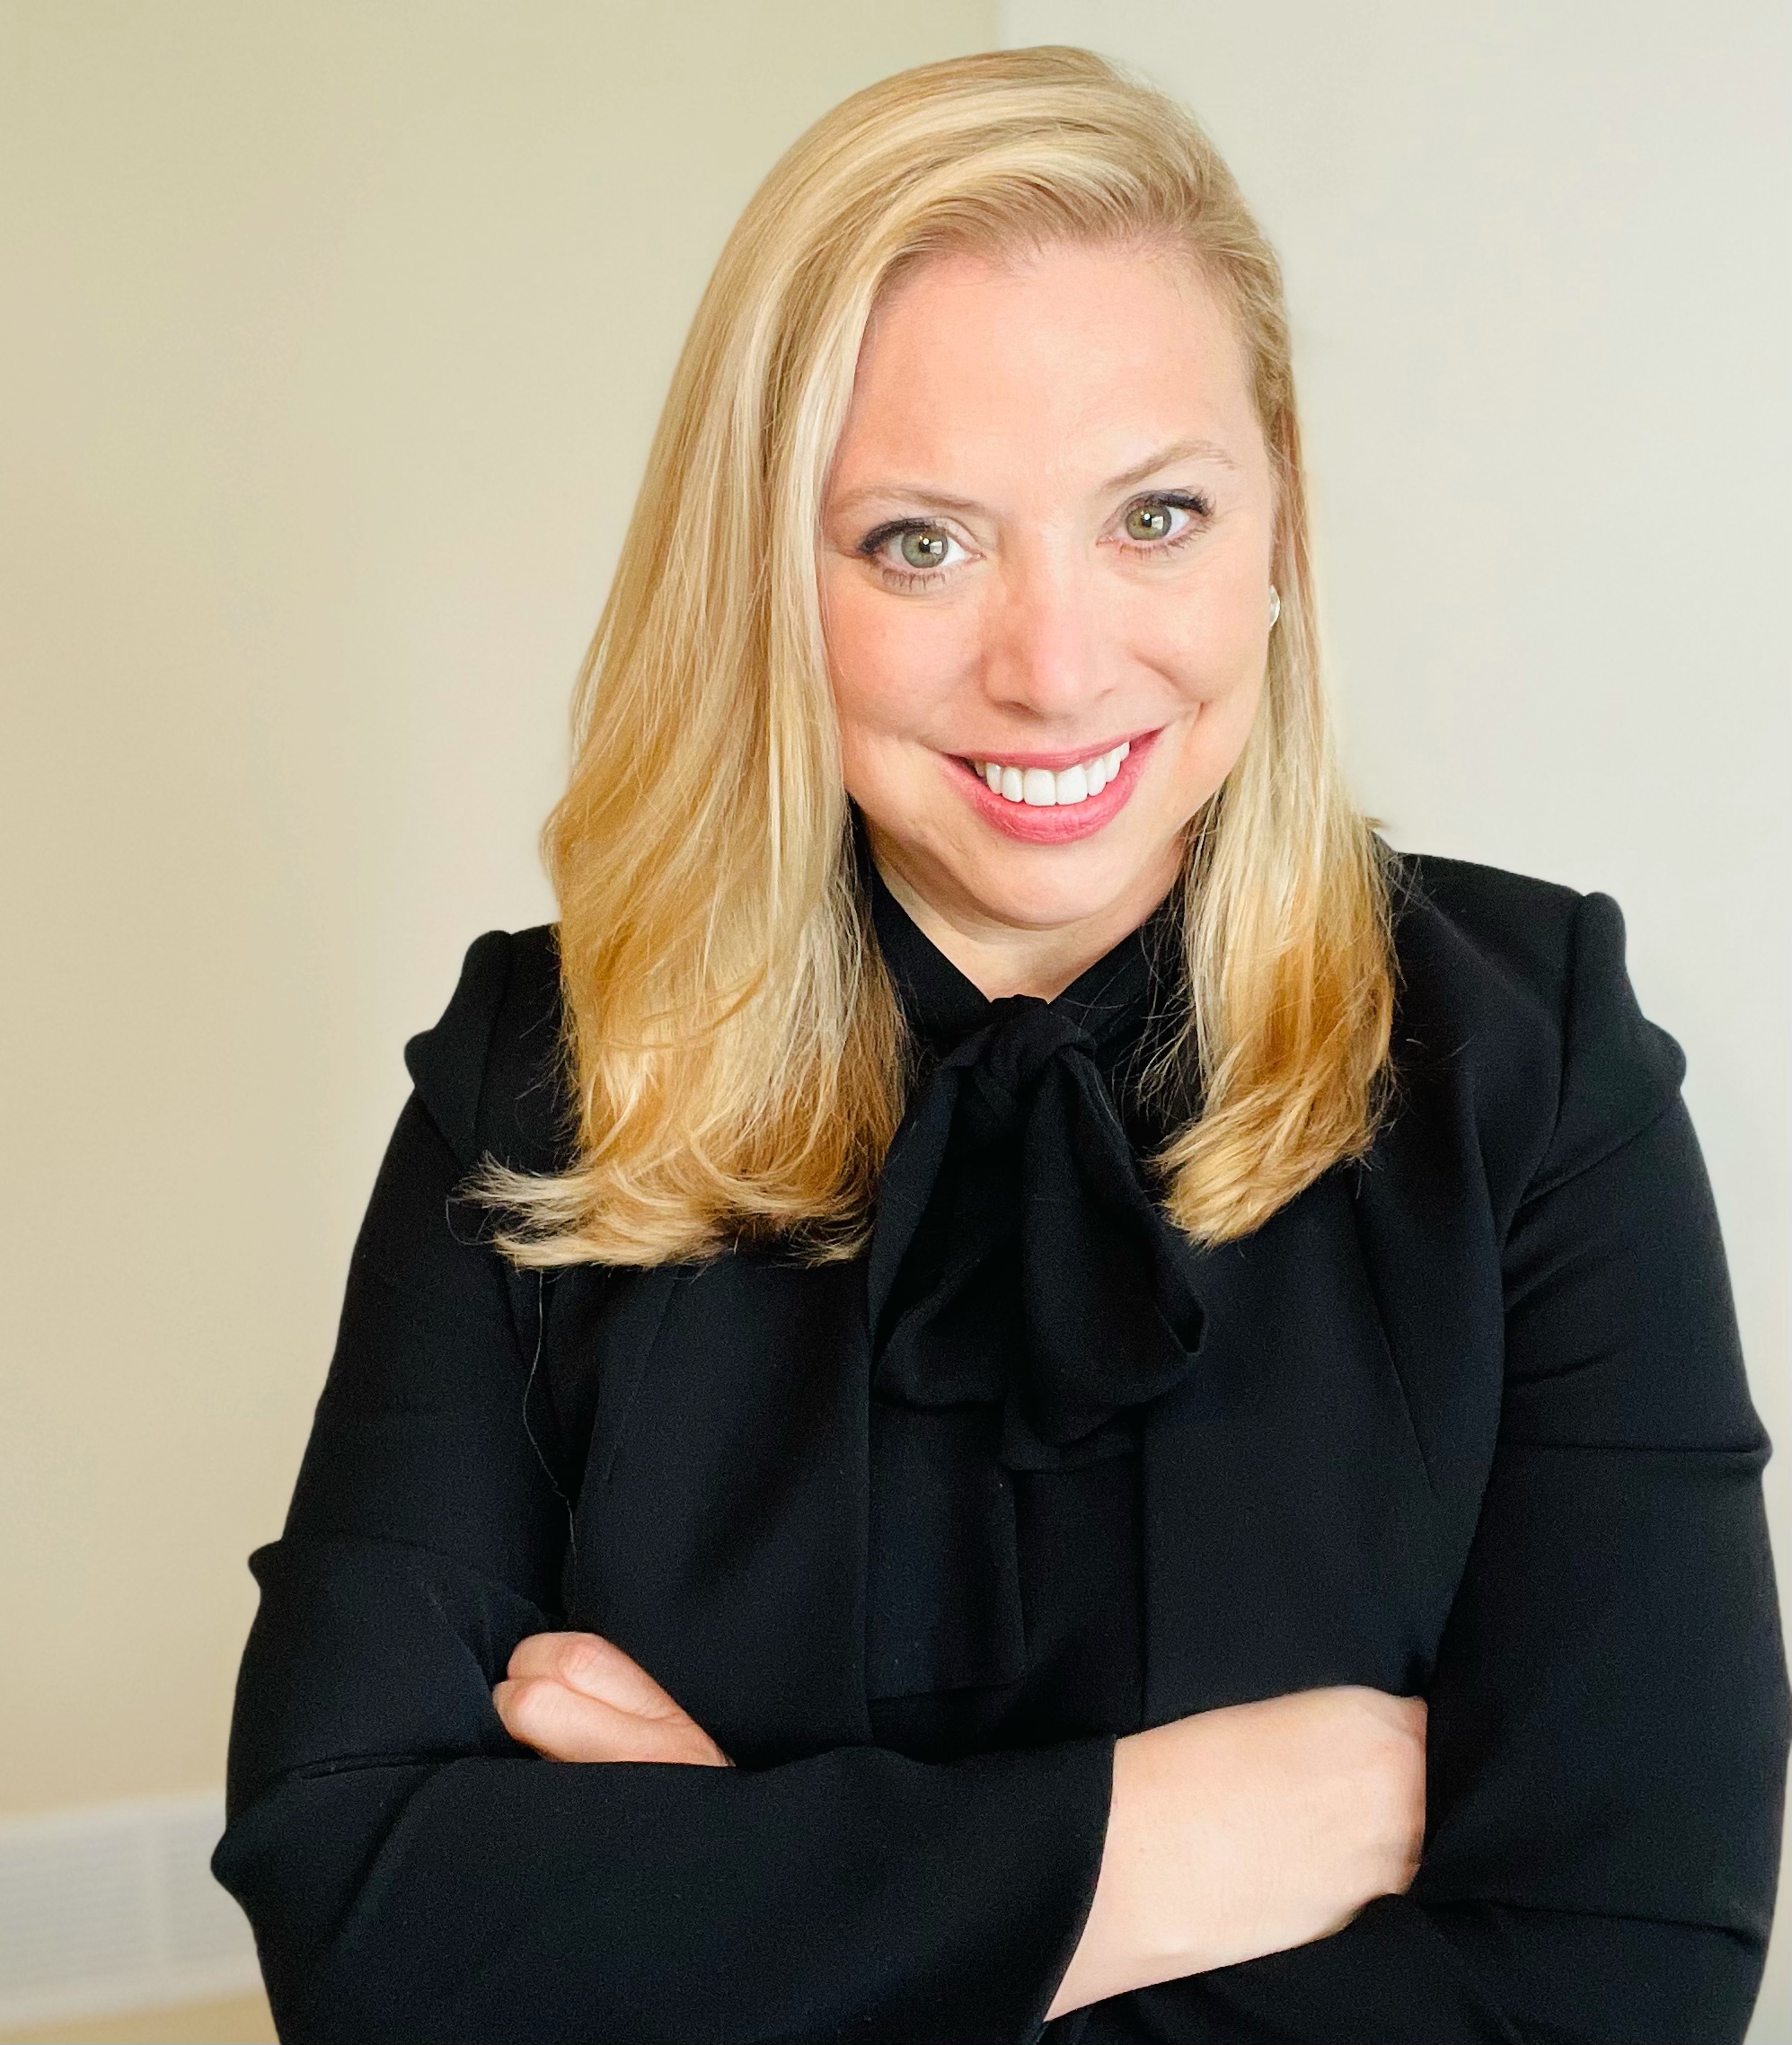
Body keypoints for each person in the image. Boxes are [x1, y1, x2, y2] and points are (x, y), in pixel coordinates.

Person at [214, 45, 1788, 2045]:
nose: (1053, 663)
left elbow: (1622, 1980)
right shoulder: (536, 1073)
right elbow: (364, 1933)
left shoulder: (1530, 1061)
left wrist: (739, 1901)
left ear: (1280, 527)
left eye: (1152, 513)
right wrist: (1174, 1841)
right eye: (918, 542)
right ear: (766, 579)